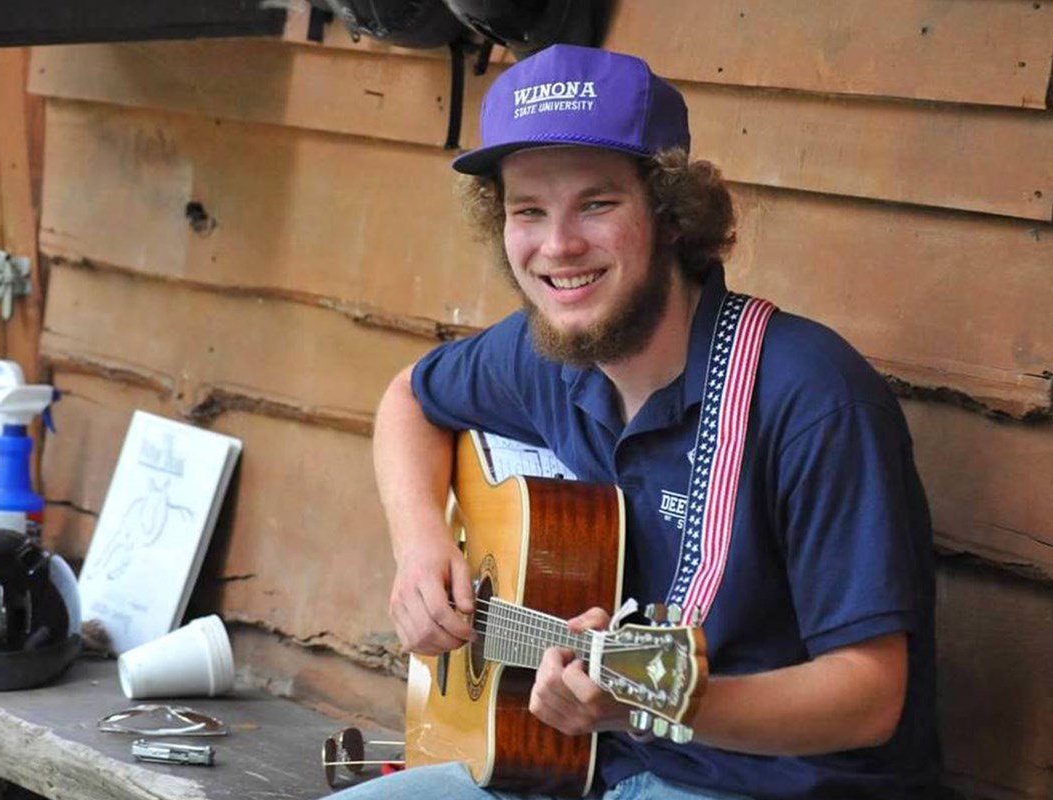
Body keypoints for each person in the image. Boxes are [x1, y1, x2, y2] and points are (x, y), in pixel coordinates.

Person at [345, 44, 947, 799]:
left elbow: (869, 696)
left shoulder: (809, 399)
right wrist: (420, 547)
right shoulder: (550, 354)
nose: (558, 247)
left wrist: (653, 701)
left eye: (596, 204)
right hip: (588, 769)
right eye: (528, 210)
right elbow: (409, 399)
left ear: (670, 214)